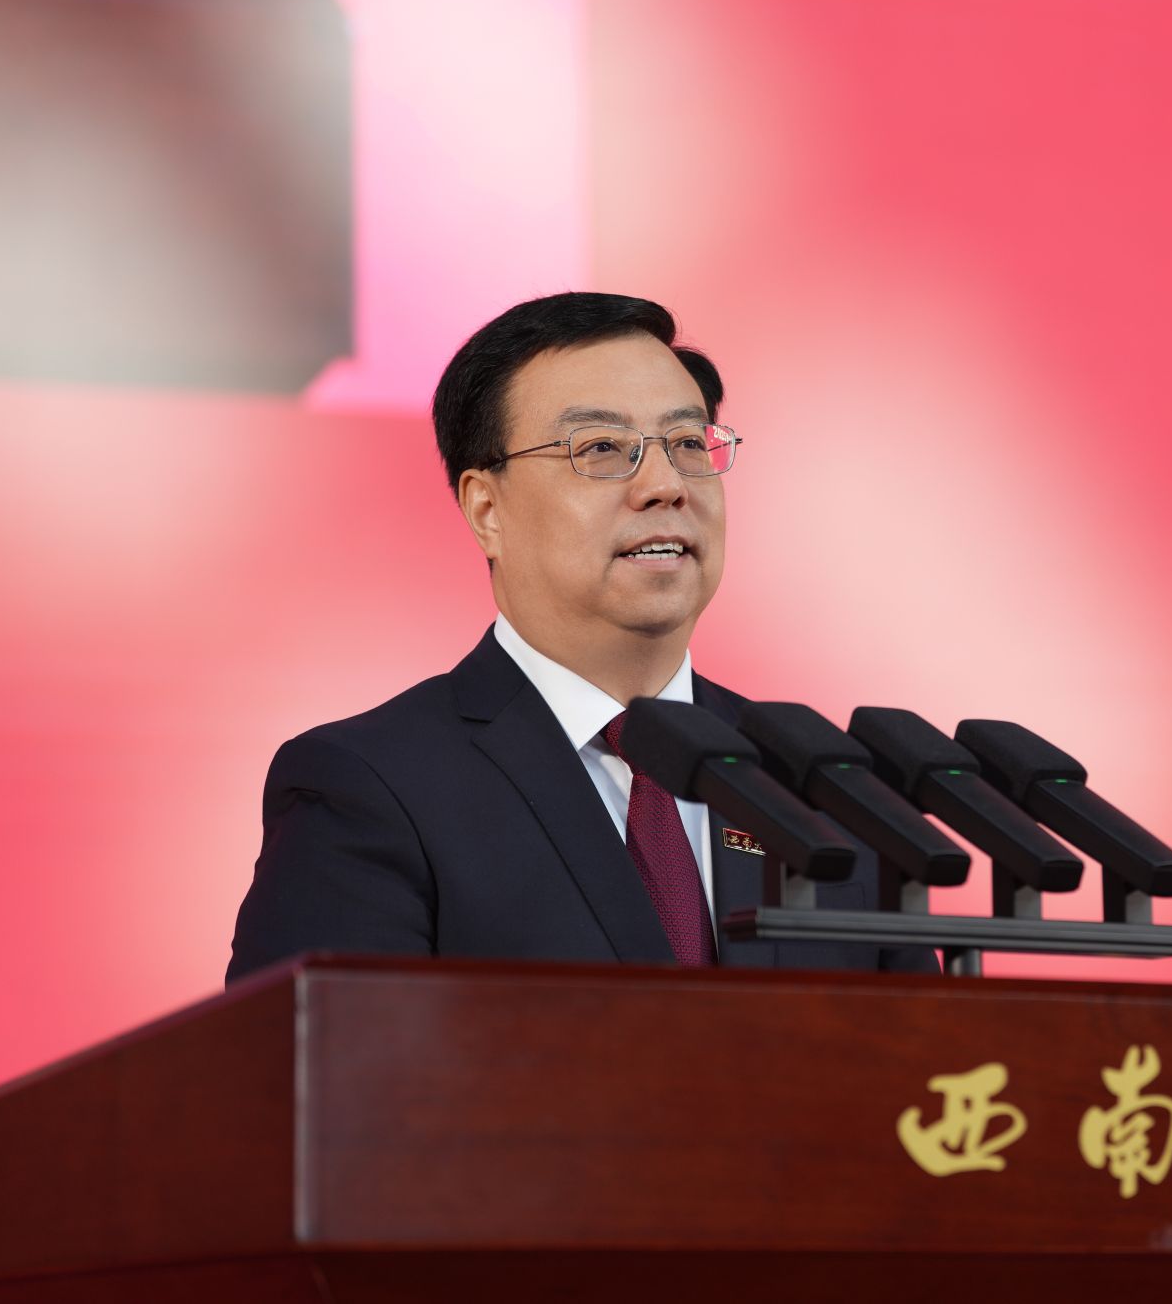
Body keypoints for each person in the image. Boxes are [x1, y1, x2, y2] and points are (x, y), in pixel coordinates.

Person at [226, 293, 937, 982]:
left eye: (688, 443)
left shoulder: (826, 791)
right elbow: (319, 1058)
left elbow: (925, 1057)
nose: (666, 485)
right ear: (486, 509)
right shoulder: (370, 787)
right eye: (602, 448)